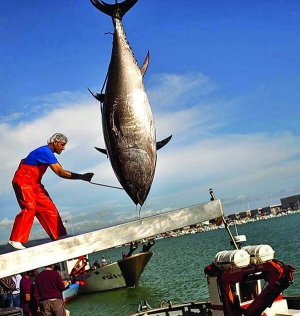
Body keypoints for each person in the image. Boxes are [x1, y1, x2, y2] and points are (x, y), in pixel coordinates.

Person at [8, 133, 94, 250]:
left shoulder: (48, 154)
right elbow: (60, 172)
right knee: (30, 207)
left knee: (49, 208)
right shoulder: (45, 151)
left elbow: (59, 170)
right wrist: (82, 176)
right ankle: (15, 239)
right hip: (23, 181)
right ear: (55, 142)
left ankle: (60, 236)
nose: (63, 148)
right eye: (62, 145)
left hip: (35, 184)